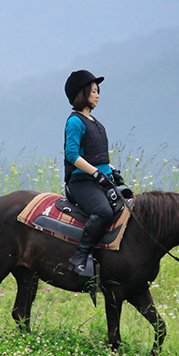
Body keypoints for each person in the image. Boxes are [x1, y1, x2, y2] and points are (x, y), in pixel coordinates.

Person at [63, 69, 124, 277]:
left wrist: (112, 170)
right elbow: (72, 154)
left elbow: (98, 157)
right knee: (104, 212)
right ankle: (80, 256)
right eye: (94, 90)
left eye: (98, 91)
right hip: (81, 182)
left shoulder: (96, 123)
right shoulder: (74, 122)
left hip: (101, 179)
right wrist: (96, 173)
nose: (98, 95)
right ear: (83, 93)